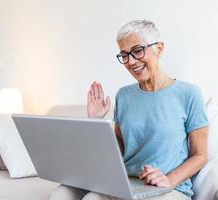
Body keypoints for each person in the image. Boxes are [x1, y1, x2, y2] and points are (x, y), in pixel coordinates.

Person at [50, 19, 209, 200]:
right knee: (70, 195)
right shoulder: (124, 96)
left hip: (168, 188)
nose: (131, 62)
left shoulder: (189, 94)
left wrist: (169, 179)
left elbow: (200, 155)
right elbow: (119, 148)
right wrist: (96, 121)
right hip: (126, 182)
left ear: (159, 48)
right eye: (124, 55)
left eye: (137, 51)